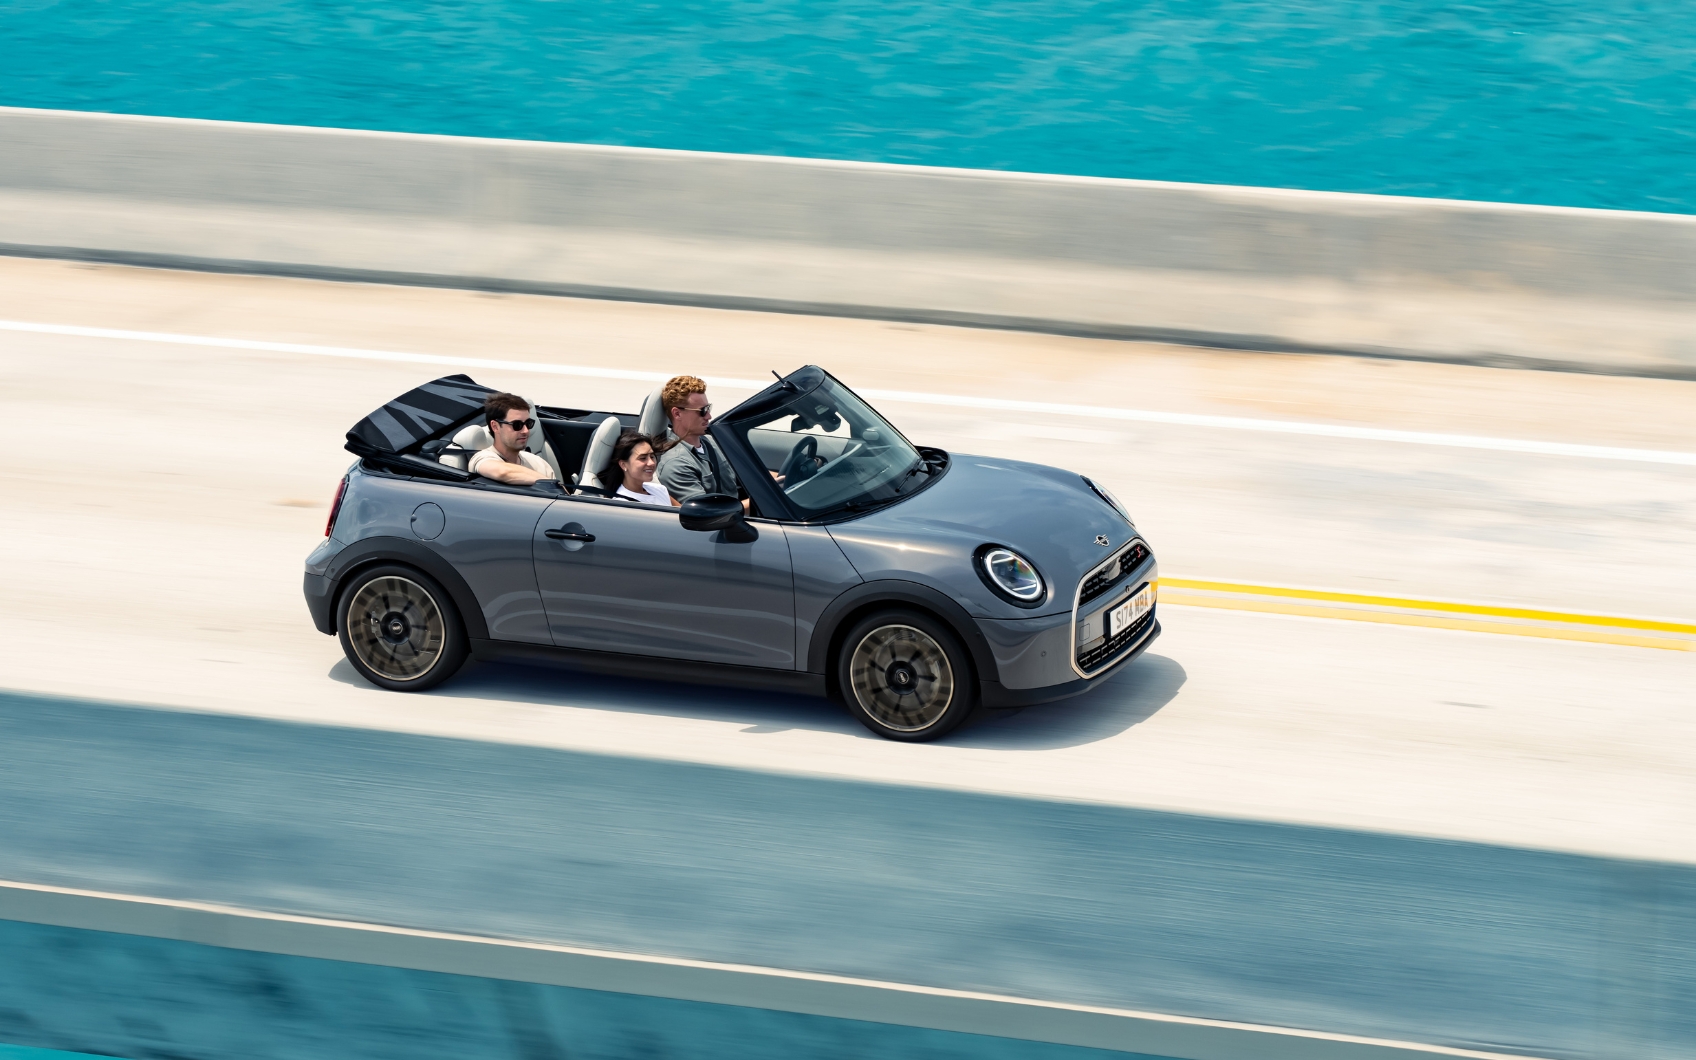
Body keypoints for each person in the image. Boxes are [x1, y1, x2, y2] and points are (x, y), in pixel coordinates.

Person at [655, 374, 744, 504]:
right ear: (677, 413)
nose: (709, 416)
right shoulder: (675, 464)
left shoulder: (713, 442)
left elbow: (745, 471)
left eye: (708, 408)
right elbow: (708, 513)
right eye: (702, 411)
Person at [467, 393, 554, 485]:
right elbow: (503, 472)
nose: (526, 431)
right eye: (517, 425)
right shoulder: (482, 458)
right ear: (495, 426)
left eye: (528, 423)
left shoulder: (539, 463)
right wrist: (549, 483)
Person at [610, 431, 678, 507]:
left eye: (652, 457)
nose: (651, 463)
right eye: (643, 458)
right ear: (623, 465)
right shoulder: (622, 504)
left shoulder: (660, 490)